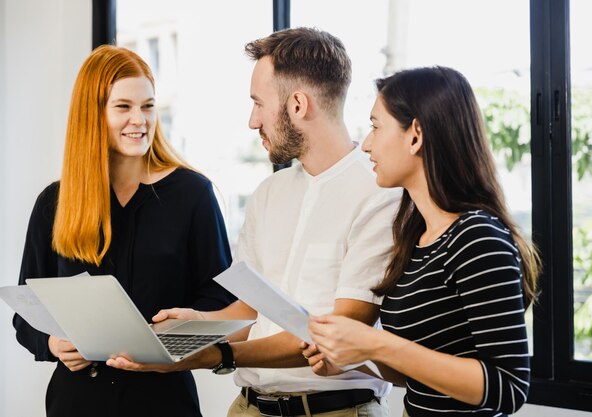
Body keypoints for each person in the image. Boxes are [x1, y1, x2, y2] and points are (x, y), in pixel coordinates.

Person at [107, 27, 400, 417]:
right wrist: (200, 323)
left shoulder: (378, 193)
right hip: (247, 408)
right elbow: (250, 313)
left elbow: (339, 338)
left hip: (335, 411)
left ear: (297, 105)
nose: (252, 120)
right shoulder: (268, 194)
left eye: (258, 103)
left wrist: (214, 355)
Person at [302, 66, 541, 417]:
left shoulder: (477, 237)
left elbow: (508, 387)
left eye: (375, 126)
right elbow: (418, 373)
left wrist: (377, 342)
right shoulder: (416, 238)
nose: (366, 144)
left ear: (415, 134)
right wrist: (357, 358)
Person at [13, 45, 236, 417]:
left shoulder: (193, 194)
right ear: (93, 114)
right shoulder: (54, 202)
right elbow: (27, 313)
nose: (140, 120)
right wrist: (51, 343)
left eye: (148, 106)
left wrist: (188, 322)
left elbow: (222, 302)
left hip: (164, 401)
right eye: (123, 107)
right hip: (77, 403)